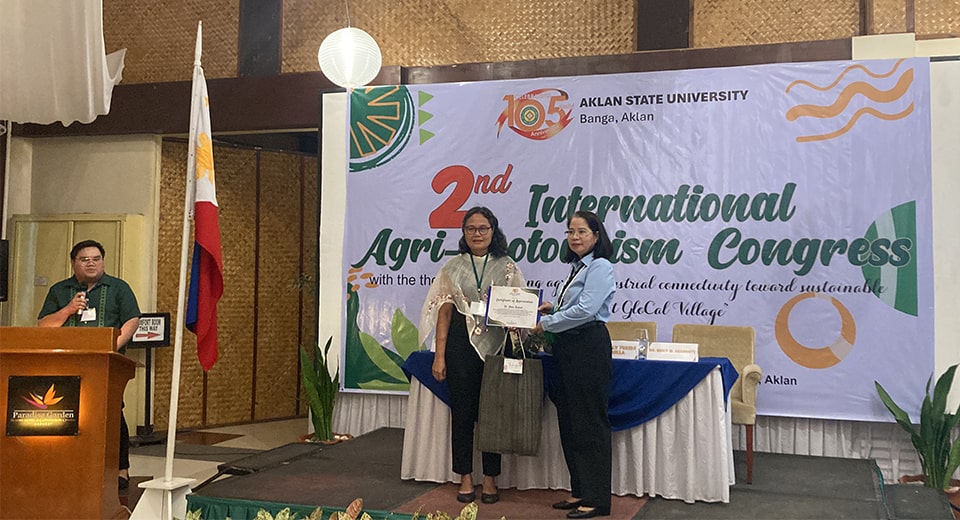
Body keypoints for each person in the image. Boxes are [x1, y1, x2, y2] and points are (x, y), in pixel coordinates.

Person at [419, 206, 526, 505]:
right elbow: (443, 311)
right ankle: (465, 477)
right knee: (462, 413)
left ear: (494, 231)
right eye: (471, 229)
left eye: (483, 228)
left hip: (497, 345)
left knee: (493, 415)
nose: (477, 234)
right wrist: (439, 355)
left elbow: (521, 306)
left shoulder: (507, 266)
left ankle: (490, 478)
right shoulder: (452, 268)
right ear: (464, 234)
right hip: (459, 345)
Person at [37, 239, 141, 491]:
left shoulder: (118, 288)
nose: (92, 263)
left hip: (107, 361)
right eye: (85, 259)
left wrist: (112, 347)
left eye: (97, 258)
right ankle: (72, 464)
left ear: (103, 261)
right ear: (74, 263)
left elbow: (132, 320)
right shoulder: (60, 290)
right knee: (67, 413)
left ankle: (120, 469)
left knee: (113, 411)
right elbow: (43, 325)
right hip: (66, 364)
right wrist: (69, 309)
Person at [534, 211, 615, 519]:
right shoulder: (575, 268)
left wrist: (548, 323)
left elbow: (587, 309)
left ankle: (597, 499)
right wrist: (552, 307)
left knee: (590, 423)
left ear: (596, 236)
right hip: (567, 348)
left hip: (587, 347)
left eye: (582, 231)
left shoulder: (600, 266)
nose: (575, 237)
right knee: (570, 422)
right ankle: (580, 490)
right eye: (570, 232)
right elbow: (573, 306)